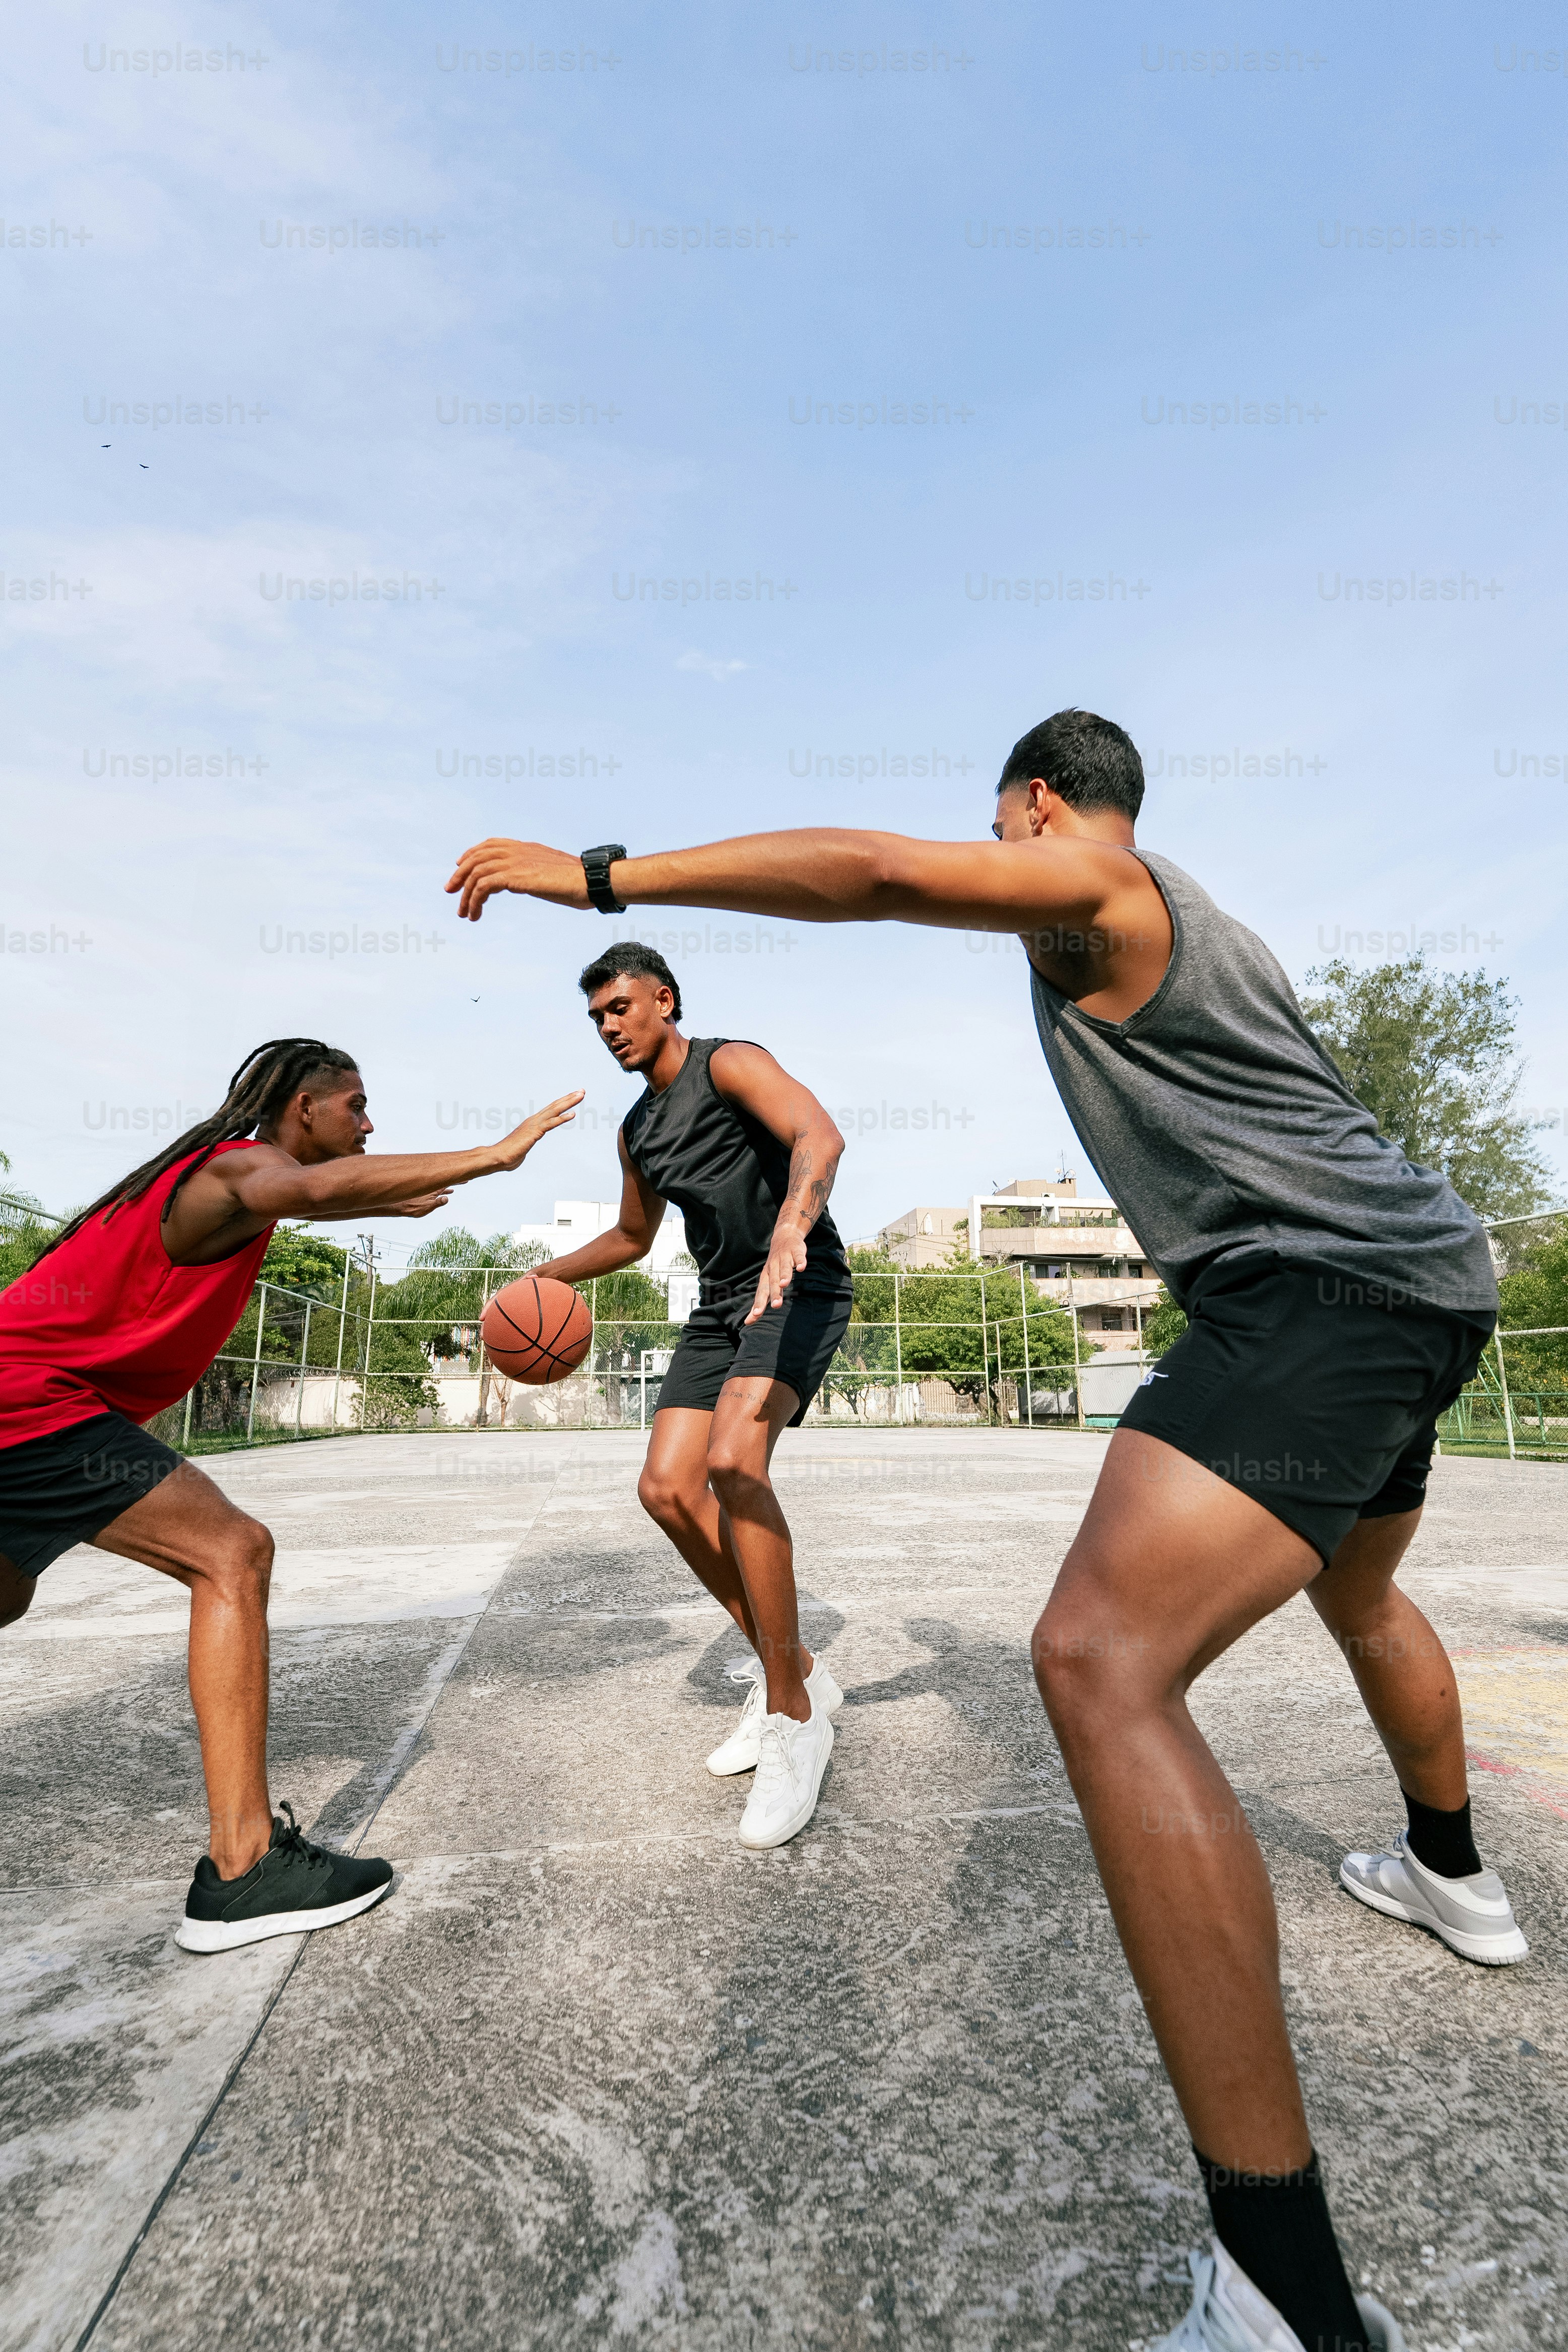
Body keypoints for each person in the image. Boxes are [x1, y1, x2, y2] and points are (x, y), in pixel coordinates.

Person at [446, 713, 1522, 2352]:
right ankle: (1455, 1872)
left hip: (1314, 1299)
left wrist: (600, 873)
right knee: (1363, 1599)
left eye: (1001, 825)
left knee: (1099, 1659)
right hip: (1426, 1282)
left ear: (1030, 803)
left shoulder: (1095, 879)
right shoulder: (1201, 920)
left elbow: (870, 873)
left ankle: (1288, 2301)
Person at [0, 1037, 579, 1952]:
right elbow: (302, 1192)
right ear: (304, 1109)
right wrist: (497, 1153)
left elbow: (308, 1197)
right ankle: (244, 1870)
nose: (370, 1122)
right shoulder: (233, 1169)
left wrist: (385, 1190)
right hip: (30, 1404)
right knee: (232, 1551)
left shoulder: (220, 1179)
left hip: (32, 1404)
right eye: (356, 1105)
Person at [527, 943, 853, 1850]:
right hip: (721, 1308)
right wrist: (544, 1275)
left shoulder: (729, 1063)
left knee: (733, 1464)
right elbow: (634, 1236)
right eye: (596, 1017)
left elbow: (818, 1135)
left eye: (621, 1008)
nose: (609, 1027)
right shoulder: (637, 1131)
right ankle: (792, 1668)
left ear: (663, 999)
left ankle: (794, 1716)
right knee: (668, 1489)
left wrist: (793, 1223)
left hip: (800, 1280)